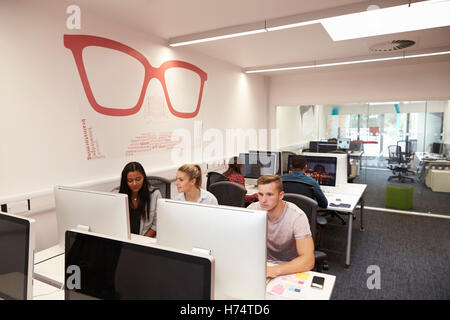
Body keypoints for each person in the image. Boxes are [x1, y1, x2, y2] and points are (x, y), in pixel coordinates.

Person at [247, 175, 315, 278]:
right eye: (261, 194)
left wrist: (274, 270)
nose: (263, 200)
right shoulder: (252, 210)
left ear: (281, 195)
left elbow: (308, 260)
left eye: (269, 195)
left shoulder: (297, 216)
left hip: (289, 267)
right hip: (262, 265)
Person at [119, 162, 161, 237]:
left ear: (143, 178)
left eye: (138, 179)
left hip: (144, 240)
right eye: (130, 180)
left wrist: (141, 241)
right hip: (124, 239)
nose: (134, 183)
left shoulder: (154, 194)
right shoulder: (118, 195)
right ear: (125, 182)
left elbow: (157, 224)